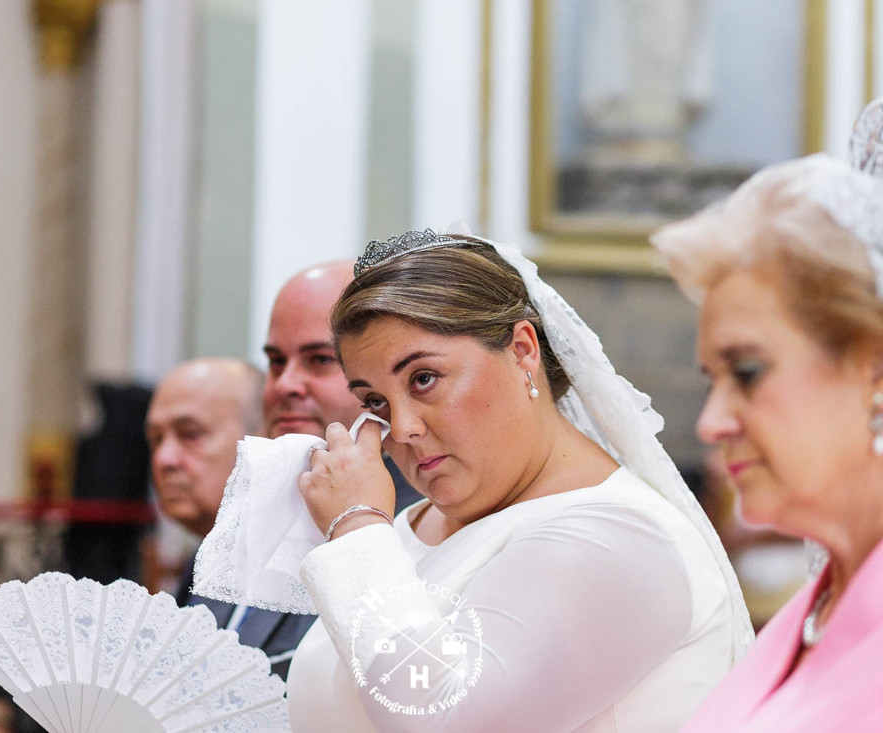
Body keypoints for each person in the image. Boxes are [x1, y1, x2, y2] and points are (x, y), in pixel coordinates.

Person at [283, 229, 752, 731]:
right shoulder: (415, 524)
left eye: (423, 379)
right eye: (374, 401)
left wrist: (355, 528)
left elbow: (444, 721)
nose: (401, 428)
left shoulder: (613, 538)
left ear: (523, 351)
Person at [649, 2, 883, 727]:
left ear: (880, 367)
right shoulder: (824, 593)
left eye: (748, 371)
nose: (712, 420)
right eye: (711, 378)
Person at [145, 357, 313, 679]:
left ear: (263, 437)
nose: (164, 459)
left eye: (190, 434)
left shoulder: (312, 557)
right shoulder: (206, 562)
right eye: (156, 439)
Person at [263, 260, 421, 509]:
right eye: (276, 361)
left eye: (320, 359)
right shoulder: (258, 503)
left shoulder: (417, 520)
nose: (285, 384)